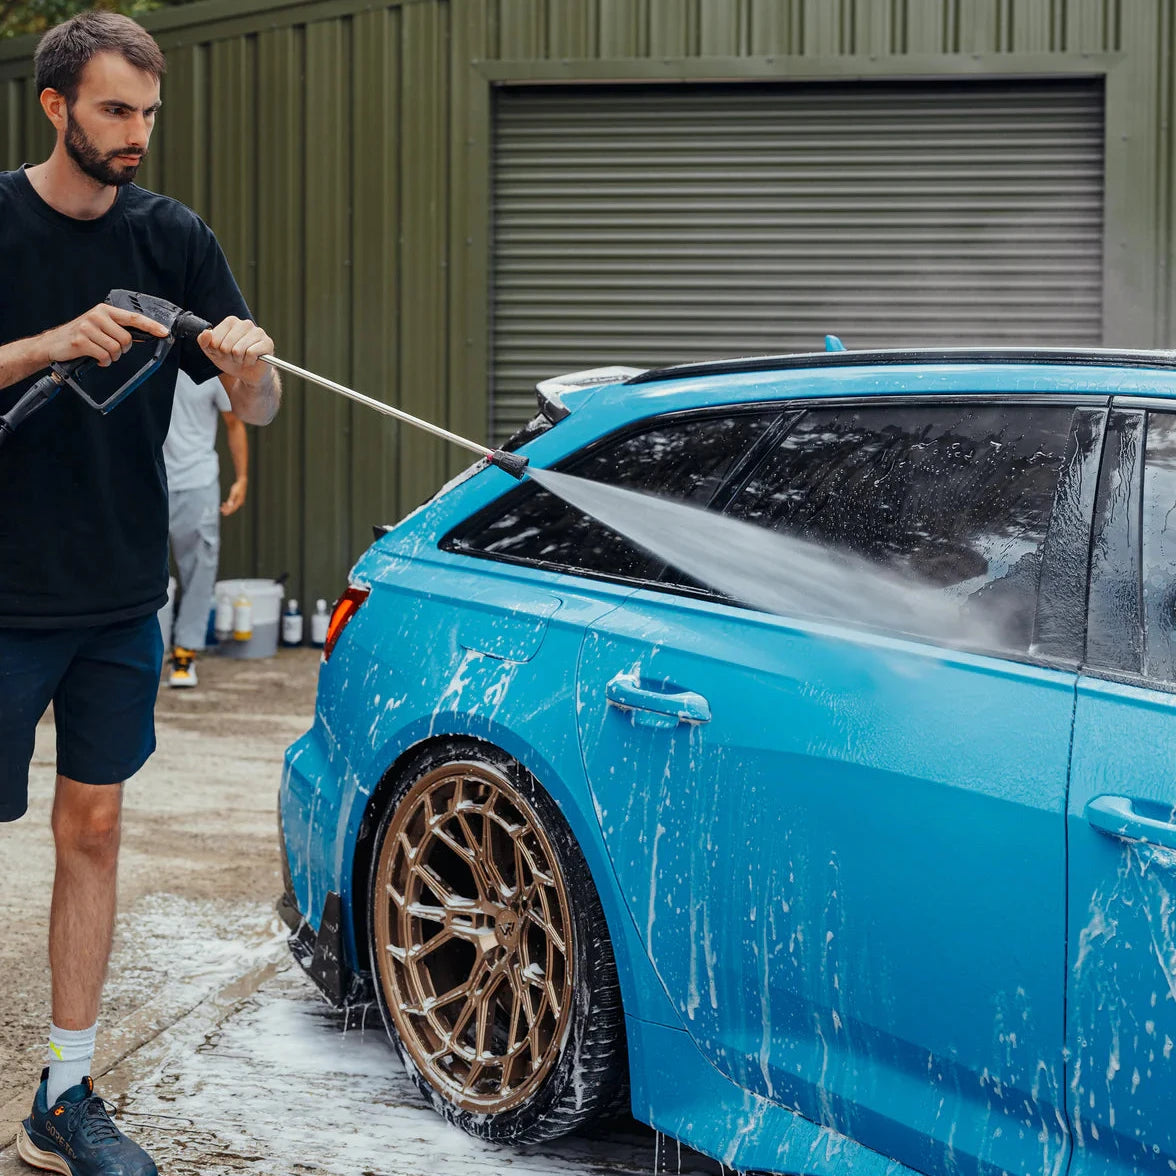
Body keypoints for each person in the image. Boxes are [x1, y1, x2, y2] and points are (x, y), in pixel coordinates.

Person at [0, 13, 281, 1176]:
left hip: (118, 596)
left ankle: (65, 1094)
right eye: (116, 111)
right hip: (1, 598)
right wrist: (43, 344)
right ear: (56, 105)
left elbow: (257, 410)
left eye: (150, 114)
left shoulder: (173, 238)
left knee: (97, 829)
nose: (138, 136)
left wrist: (250, 372)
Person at [164, 370, 249, 688]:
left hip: (198, 480)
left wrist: (241, 478)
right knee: (141, 567)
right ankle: (147, 648)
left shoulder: (211, 369)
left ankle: (184, 653)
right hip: (149, 479)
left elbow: (234, 422)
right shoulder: (144, 360)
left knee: (200, 566)